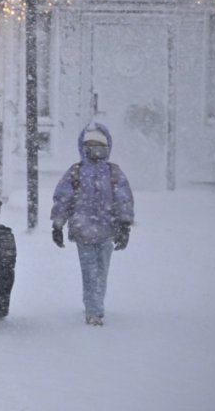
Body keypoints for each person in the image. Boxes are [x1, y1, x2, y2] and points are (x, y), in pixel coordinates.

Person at [50, 123, 135, 326]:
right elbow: (63, 199)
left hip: (107, 231)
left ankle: (96, 304)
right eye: (90, 144)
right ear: (83, 146)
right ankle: (93, 310)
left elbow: (123, 199)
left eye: (99, 145)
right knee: (89, 271)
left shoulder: (113, 173)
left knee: (102, 270)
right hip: (83, 232)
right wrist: (57, 225)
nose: (95, 149)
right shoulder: (76, 172)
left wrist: (124, 225)